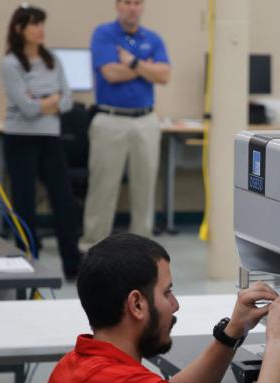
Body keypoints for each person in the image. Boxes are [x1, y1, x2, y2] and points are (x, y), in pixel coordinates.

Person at [44, 233, 280, 383]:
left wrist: (233, 332)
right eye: (167, 292)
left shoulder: (74, 367)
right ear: (136, 304)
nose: (175, 305)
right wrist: (279, 342)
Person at [80, 0, 170, 249]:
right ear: (118, 6)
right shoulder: (104, 34)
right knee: (103, 189)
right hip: (111, 120)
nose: (133, 8)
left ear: (142, 7)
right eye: (127, 2)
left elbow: (164, 75)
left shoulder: (153, 37)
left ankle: (142, 251)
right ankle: (93, 247)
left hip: (146, 121)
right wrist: (146, 67)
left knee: (145, 189)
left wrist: (132, 62)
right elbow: (110, 73)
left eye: (137, 3)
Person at [0, 5, 82, 279]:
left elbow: (68, 101)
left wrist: (42, 100)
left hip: (50, 139)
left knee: (64, 201)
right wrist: (51, 100)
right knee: (24, 203)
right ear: (19, 28)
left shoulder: (53, 60)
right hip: (20, 139)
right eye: (35, 24)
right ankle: (28, 261)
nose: (40, 29)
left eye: (42, 23)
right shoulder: (10, 63)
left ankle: (72, 264)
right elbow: (27, 108)